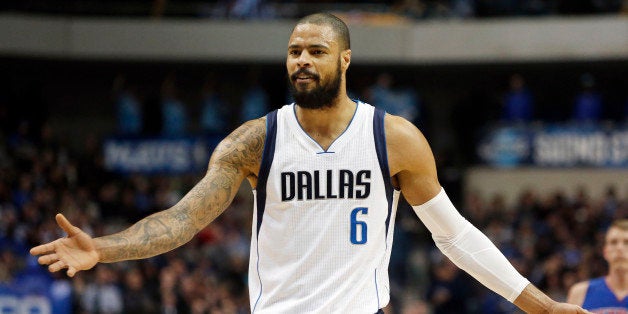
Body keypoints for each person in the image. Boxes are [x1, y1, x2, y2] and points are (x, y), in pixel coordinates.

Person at [31, 12, 590, 314]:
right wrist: (103, 248)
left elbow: (454, 237)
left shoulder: (394, 137)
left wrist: (537, 305)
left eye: (316, 51)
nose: (302, 60)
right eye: (294, 51)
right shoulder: (253, 141)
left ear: (345, 59)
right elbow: (185, 218)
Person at [566, 219, 628, 312]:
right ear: (605, 252)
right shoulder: (580, 292)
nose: (620, 248)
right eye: (613, 242)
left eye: (627, 242)